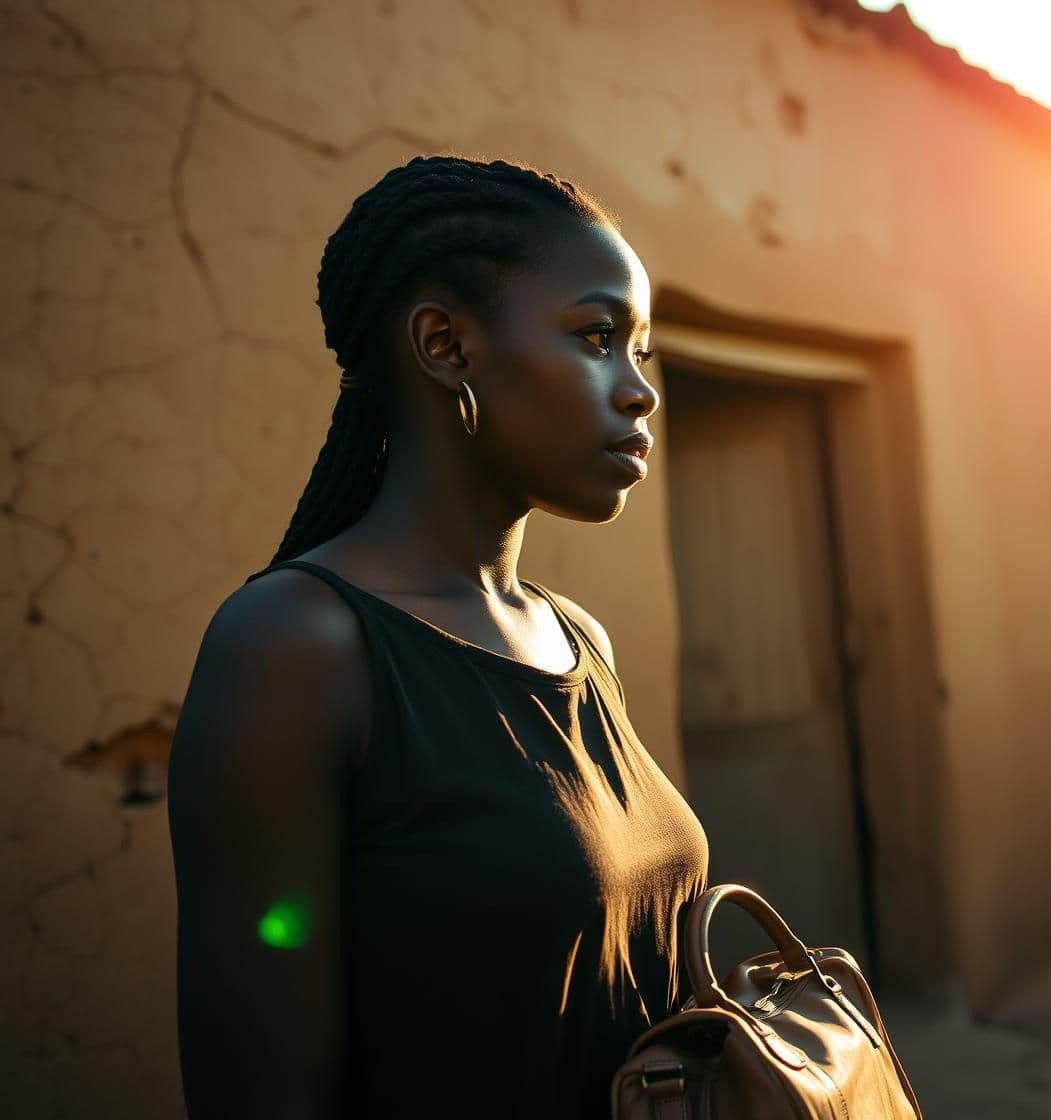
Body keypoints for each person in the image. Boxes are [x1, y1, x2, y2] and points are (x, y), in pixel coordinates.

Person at [167, 154, 710, 1119]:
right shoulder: (293, 649)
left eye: (642, 351)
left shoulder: (576, 638)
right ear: (444, 344)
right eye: (597, 336)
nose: (640, 392)